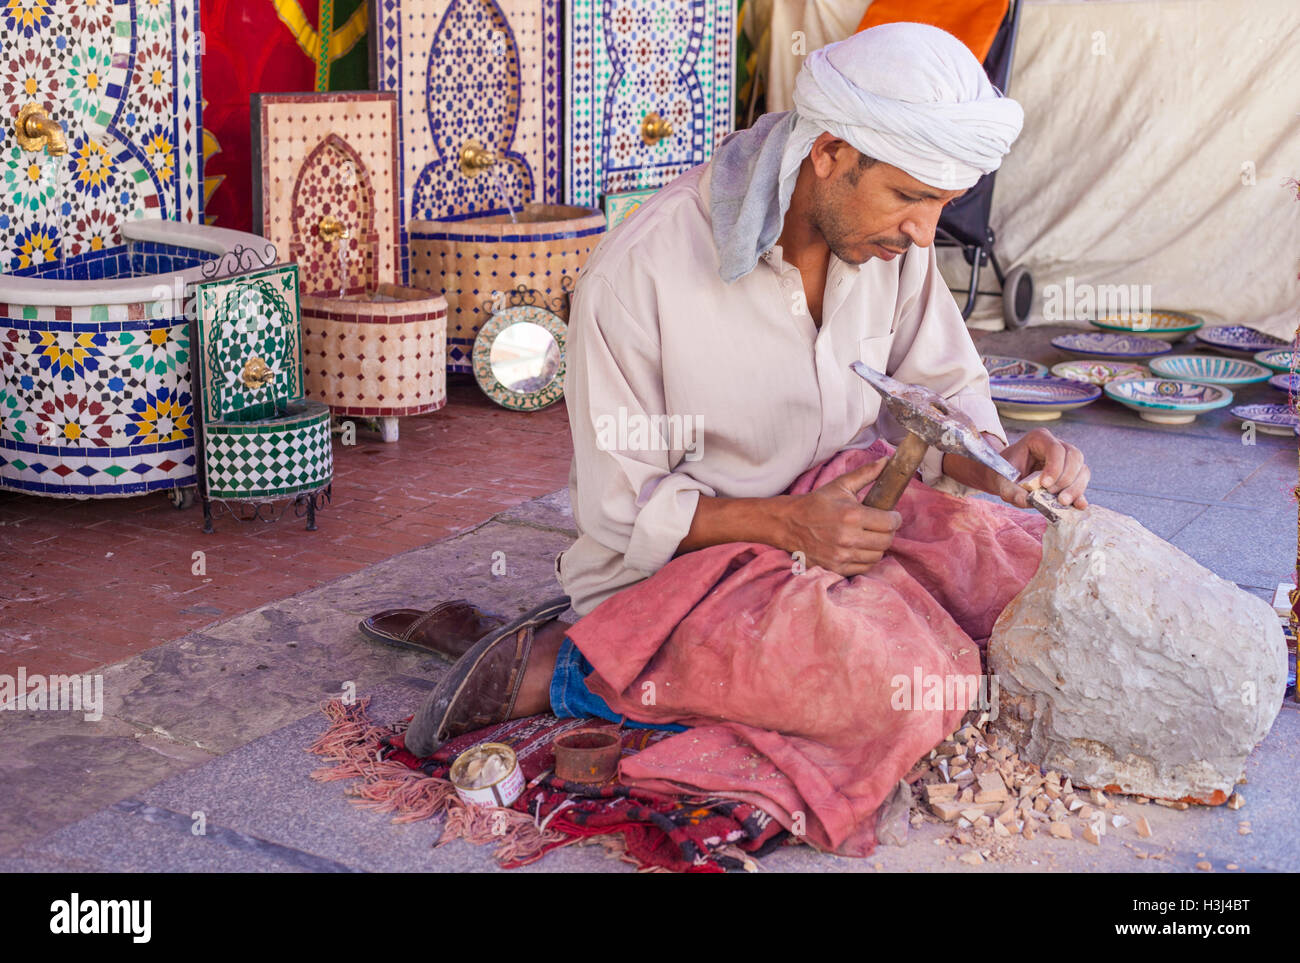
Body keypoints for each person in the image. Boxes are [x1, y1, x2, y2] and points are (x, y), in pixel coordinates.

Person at [401, 22, 1091, 853]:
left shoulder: (884, 246)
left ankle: (800, 643)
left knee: (1025, 569)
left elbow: (941, 393)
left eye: (940, 205)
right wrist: (786, 528)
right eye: (910, 197)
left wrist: (997, 460)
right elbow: (622, 509)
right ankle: (574, 666)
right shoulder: (641, 271)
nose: (922, 232)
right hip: (686, 568)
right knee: (898, 685)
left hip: (836, 517)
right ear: (830, 153)